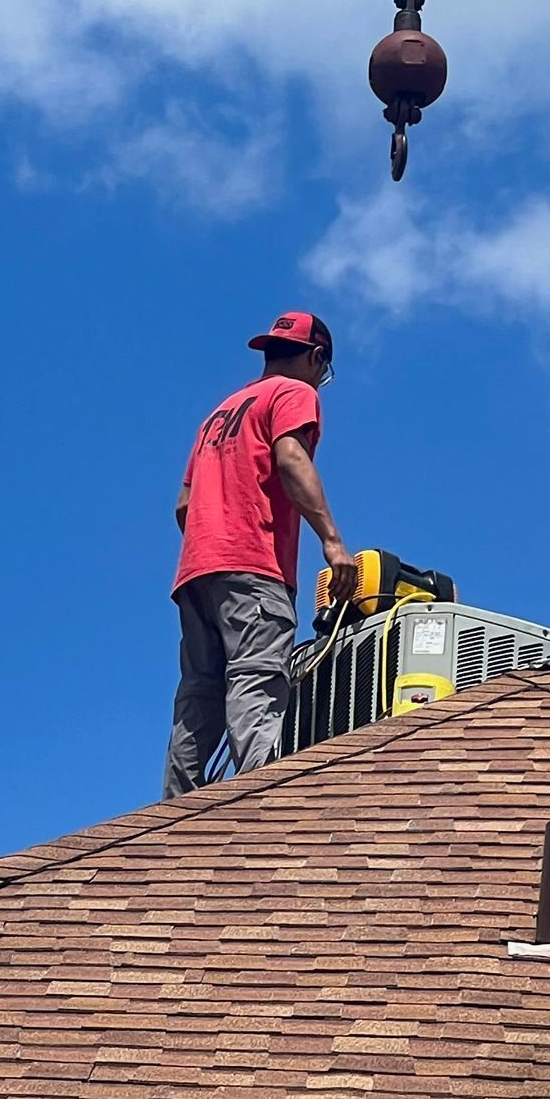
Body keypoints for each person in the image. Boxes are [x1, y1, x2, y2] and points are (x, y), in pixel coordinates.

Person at [162, 312, 358, 796]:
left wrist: (215, 540)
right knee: (255, 682)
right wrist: (332, 542)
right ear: (316, 358)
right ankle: (259, 809)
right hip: (253, 568)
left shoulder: (219, 413)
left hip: (197, 572)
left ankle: (169, 821)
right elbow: (291, 459)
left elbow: (185, 506)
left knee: (198, 697)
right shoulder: (295, 394)